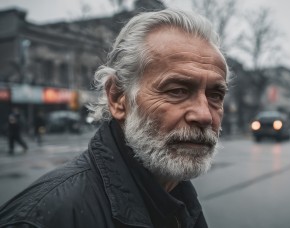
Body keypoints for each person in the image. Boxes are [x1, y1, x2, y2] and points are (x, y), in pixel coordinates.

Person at [0, 9, 228, 228]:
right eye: (177, 90)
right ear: (118, 98)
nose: (205, 115)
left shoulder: (176, 197)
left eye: (216, 95)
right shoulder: (41, 218)